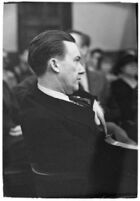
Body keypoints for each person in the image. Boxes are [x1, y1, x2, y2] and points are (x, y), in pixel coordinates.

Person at [19, 30, 135, 198]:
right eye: (76, 61)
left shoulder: (39, 99)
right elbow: (99, 169)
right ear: (55, 65)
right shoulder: (41, 115)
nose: (82, 70)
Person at [111, 54, 138, 142]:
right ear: (121, 68)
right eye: (130, 65)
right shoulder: (116, 85)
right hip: (125, 125)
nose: (134, 67)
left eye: (136, 64)